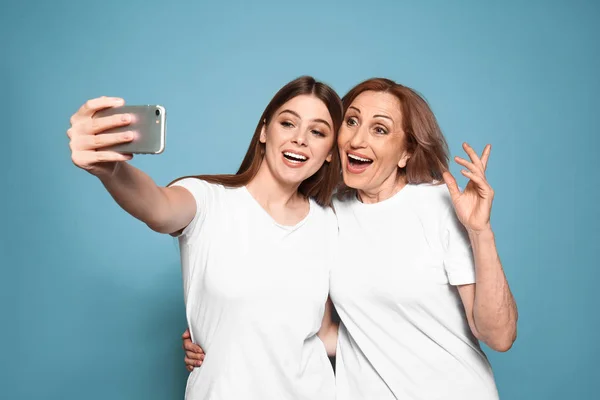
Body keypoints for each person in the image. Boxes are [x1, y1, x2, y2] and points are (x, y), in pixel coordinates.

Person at [183, 78, 518, 399]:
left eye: (380, 129)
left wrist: (479, 232)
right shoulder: (327, 216)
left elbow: (499, 336)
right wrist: (221, 334)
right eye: (352, 121)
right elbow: (319, 328)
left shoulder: (439, 204)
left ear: (405, 153)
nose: (358, 140)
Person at [67, 76, 344, 400]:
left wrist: (408, 341)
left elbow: (322, 333)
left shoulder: (328, 224)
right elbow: (157, 206)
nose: (300, 139)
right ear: (264, 131)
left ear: (328, 152)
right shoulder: (208, 200)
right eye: (288, 123)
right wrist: (108, 168)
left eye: (317, 132)